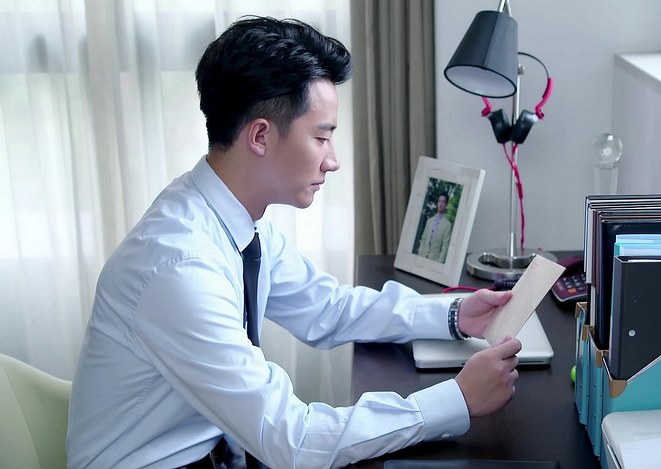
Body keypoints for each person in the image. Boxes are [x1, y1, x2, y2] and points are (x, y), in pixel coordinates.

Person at [66, 16, 521, 469]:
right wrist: (456, 399)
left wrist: (454, 315)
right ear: (260, 135)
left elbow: (328, 307)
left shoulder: (236, 220)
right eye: (322, 137)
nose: (333, 161)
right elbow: (294, 442)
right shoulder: (179, 266)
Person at [417, 193, 454, 263]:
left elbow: (445, 247)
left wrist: (439, 262)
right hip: (422, 257)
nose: (440, 204)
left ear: (446, 205)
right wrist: (420, 252)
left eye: (443, 202)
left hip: (435, 260)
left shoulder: (447, 225)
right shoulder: (429, 221)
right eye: (439, 201)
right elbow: (423, 239)